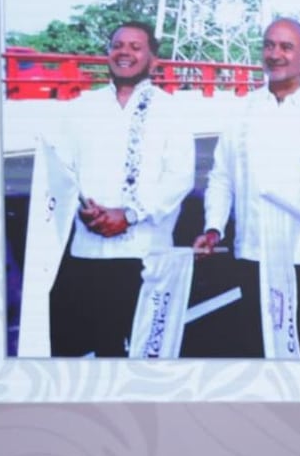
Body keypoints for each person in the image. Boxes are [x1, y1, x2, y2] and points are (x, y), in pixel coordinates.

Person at [193, 17, 300, 358]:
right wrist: (213, 228)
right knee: (256, 351)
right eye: (269, 45)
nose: (276, 54)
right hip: (252, 256)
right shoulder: (242, 112)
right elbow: (222, 178)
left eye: (286, 46)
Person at [48, 21, 195, 357]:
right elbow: (62, 171)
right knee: (95, 350)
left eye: (135, 47)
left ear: (153, 59)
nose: (124, 52)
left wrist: (130, 214)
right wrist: (86, 210)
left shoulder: (171, 111)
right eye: (117, 45)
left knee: (141, 351)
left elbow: (179, 177)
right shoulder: (79, 110)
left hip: (144, 253)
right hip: (87, 250)